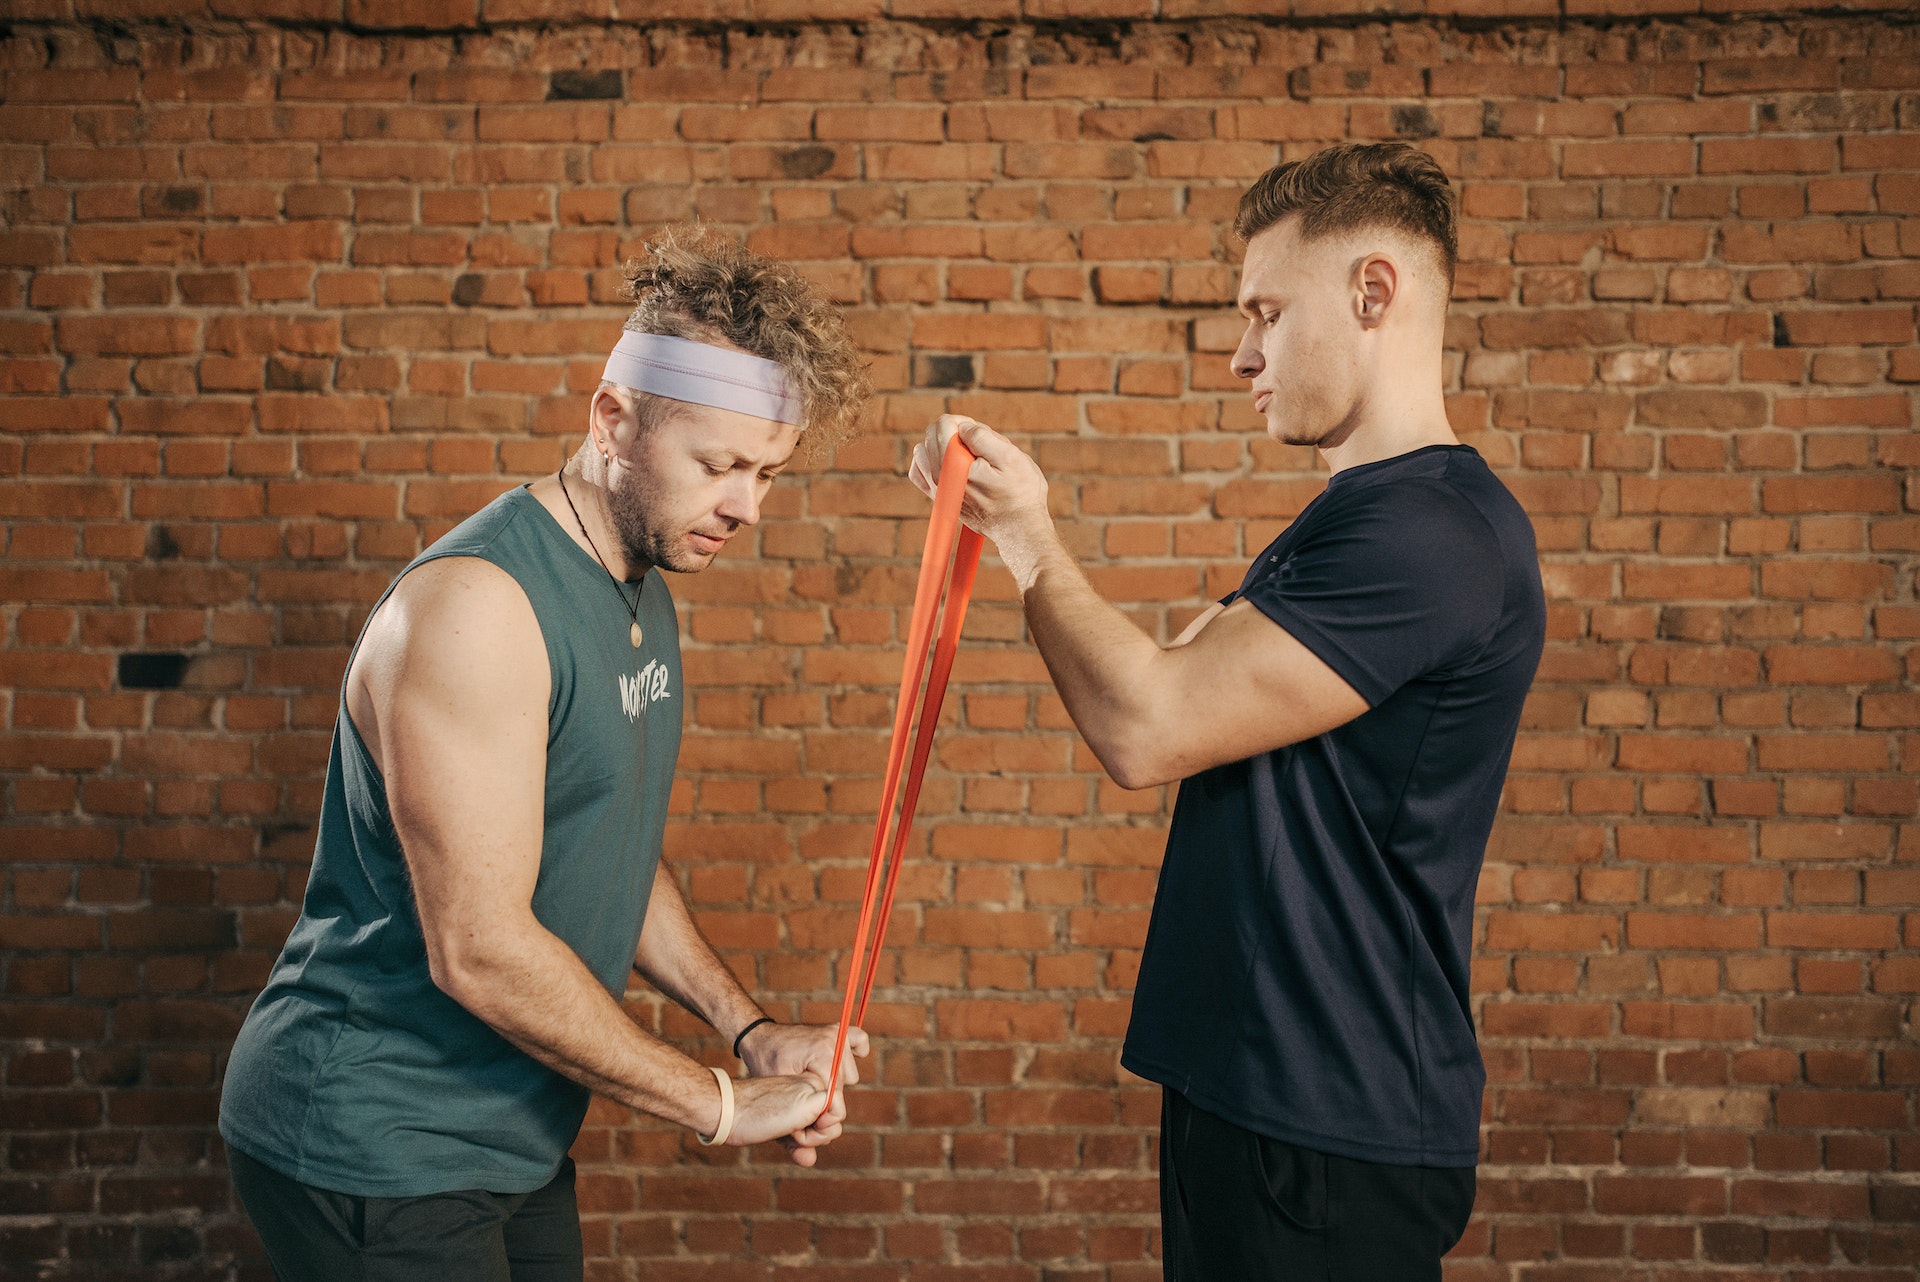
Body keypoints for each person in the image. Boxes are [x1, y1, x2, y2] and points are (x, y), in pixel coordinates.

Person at [910, 143, 1546, 1281]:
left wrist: (1025, 535)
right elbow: (1178, 670)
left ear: (1371, 293)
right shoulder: (1362, 522)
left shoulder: (1429, 535)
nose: (1243, 353)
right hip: (1259, 1093)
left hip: (1325, 1117)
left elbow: (1146, 722)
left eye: (1266, 311)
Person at [220, 226, 875, 1282]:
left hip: (508, 1138)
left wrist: (746, 1029)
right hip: (371, 1134)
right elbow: (478, 946)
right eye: (718, 465)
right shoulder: (478, 609)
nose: (748, 506)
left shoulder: (640, 584)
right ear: (613, 417)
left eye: (767, 473)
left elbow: (604, 842)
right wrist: (718, 1102)